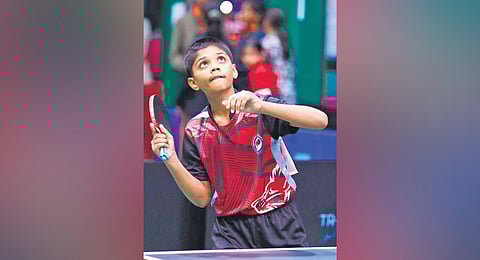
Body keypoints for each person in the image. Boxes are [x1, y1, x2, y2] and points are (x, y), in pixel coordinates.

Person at [150, 37, 328, 248]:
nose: (214, 67)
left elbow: (320, 120)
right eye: (203, 64)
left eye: (220, 59)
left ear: (233, 71)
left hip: (279, 222)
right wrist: (171, 159)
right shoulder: (195, 131)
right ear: (193, 83)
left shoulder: (261, 108)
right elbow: (200, 198)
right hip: (231, 231)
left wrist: (261, 106)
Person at [261, 8, 296, 104]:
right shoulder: (284, 37)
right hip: (289, 84)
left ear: (268, 22)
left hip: (276, 85)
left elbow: (265, 63)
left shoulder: (268, 41)